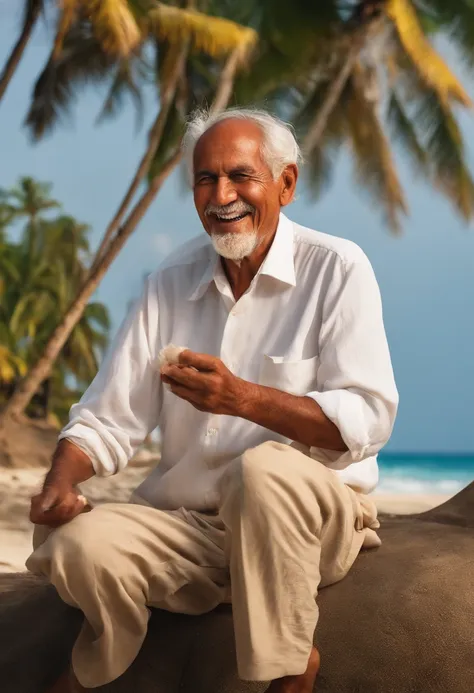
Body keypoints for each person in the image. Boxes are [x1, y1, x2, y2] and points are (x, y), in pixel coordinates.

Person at [27, 108, 398, 693]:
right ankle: (110, 661)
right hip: (190, 530)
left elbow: (369, 420)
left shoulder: (337, 268)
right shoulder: (169, 282)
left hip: (305, 518)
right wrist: (60, 481)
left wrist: (243, 399)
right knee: (77, 547)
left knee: (264, 469)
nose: (221, 196)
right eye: (205, 179)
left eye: (240, 176)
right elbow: (107, 417)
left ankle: (288, 668)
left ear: (286, 184)